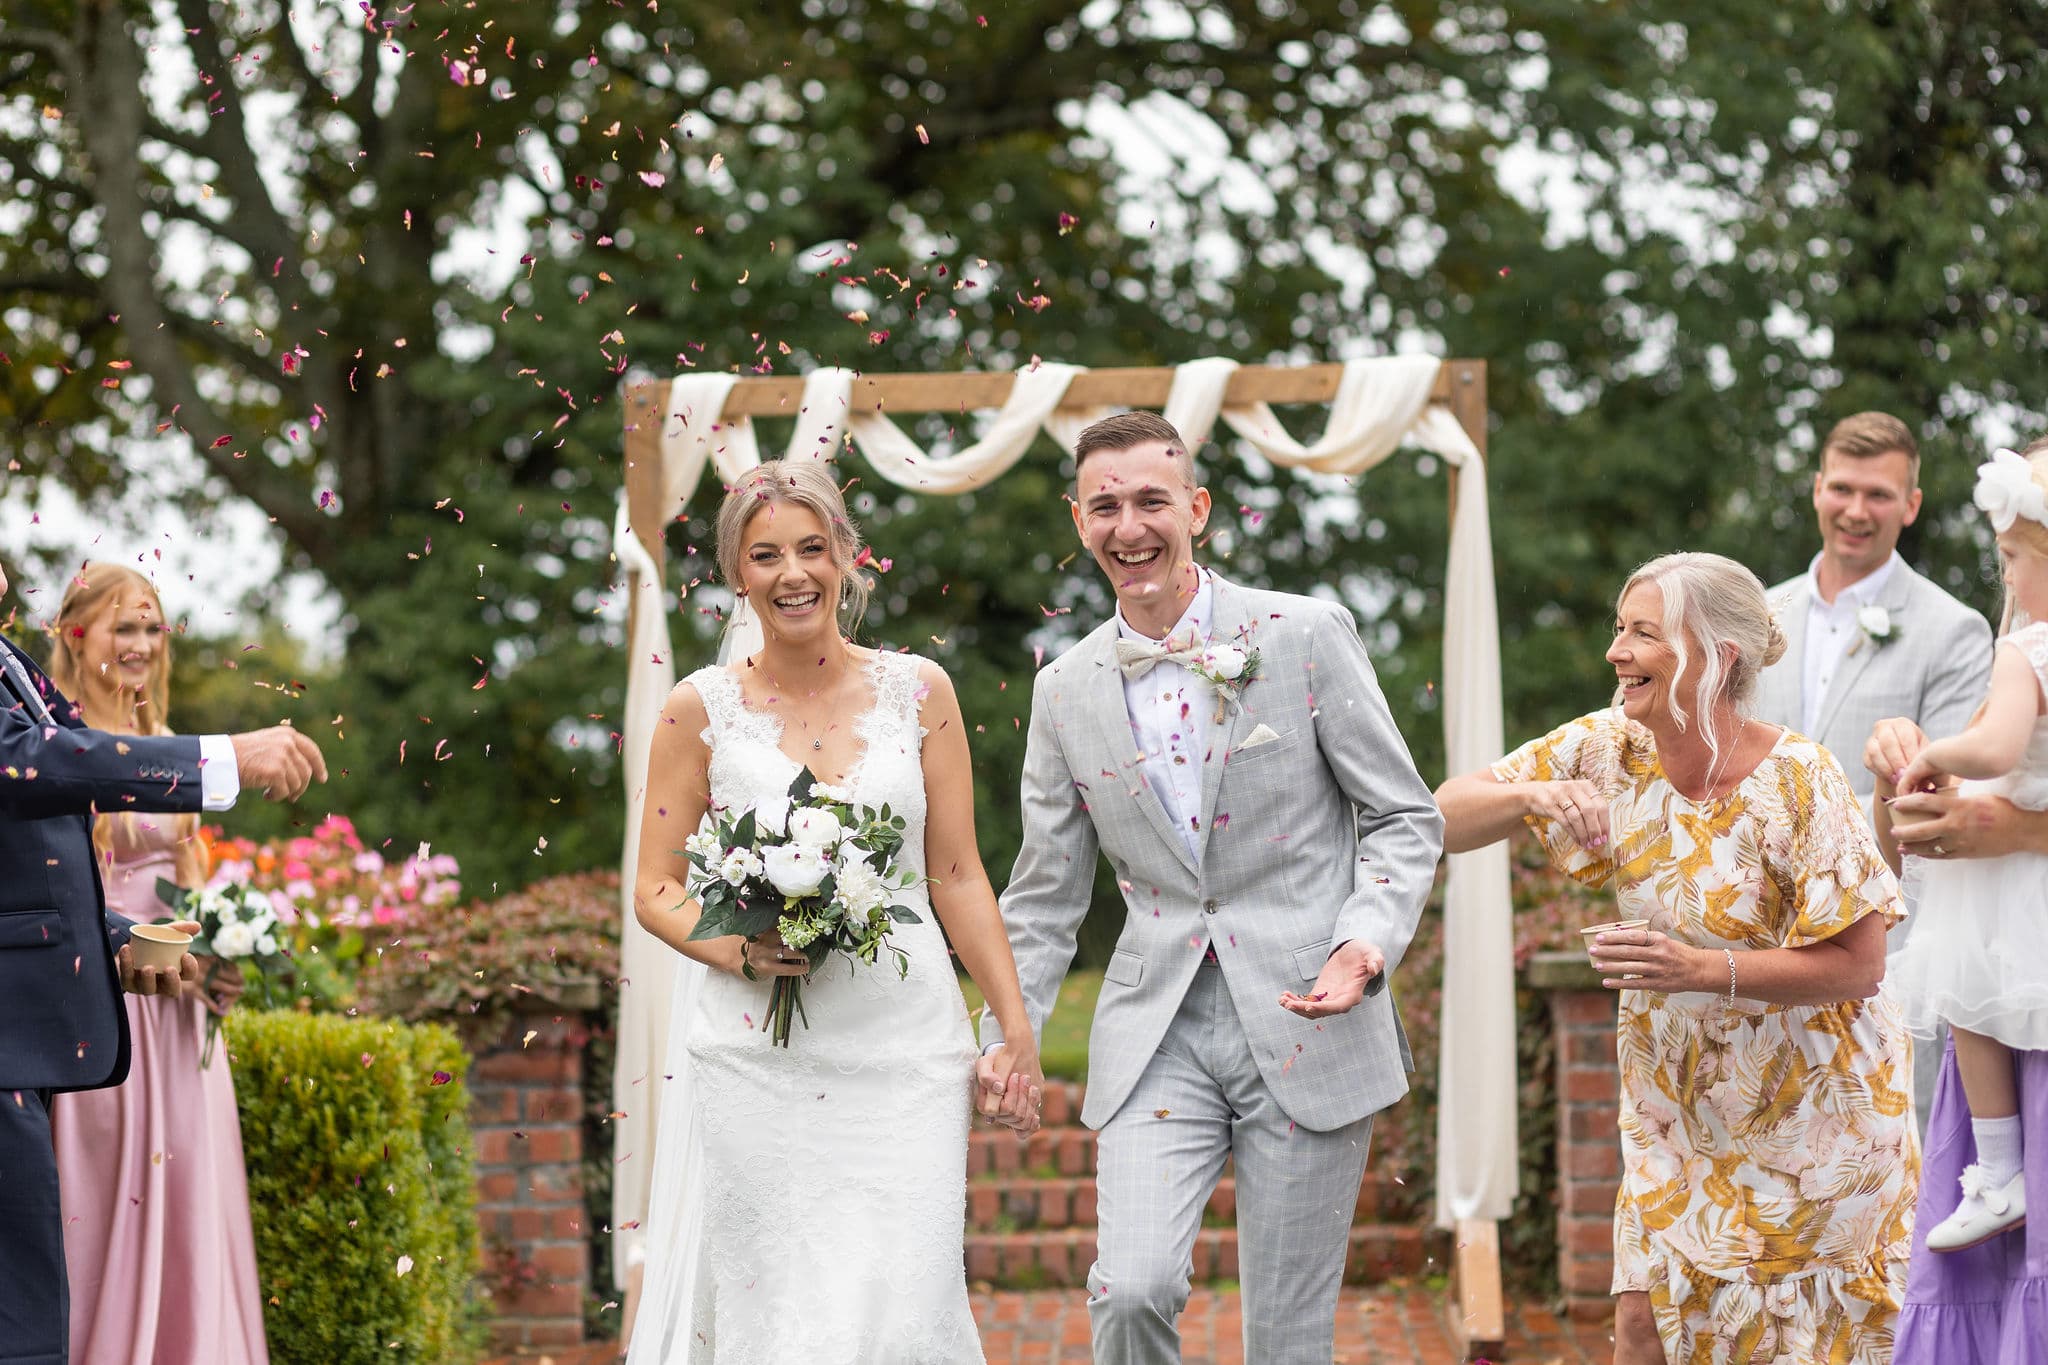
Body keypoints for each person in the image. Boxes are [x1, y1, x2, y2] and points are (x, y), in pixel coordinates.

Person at [984, 412, 1442, 1364]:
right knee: (1131, 1290)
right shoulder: (1063, 689)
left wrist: (1365, 943)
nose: (1129, 525)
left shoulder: (1306, 633)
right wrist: (1008, 1034)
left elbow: (1403, 815)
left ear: (1195, 508)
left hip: (1309, 1017)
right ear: (1079, 520)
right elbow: (1044, 896)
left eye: (1152, 500)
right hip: (1157, 1031)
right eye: (1105, 505)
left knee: (1286, 1337)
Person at [1437, 552, 1918, 1365]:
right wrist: (1531, 795)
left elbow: (1860, 963)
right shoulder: (1611, 745)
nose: (1616, 651)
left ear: (1718, 656)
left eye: (1643, 634)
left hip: (1818, 1134)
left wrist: (1698, 969)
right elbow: (1441, 815)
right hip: (1676, 1122)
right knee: (1641, 1327)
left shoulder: (1800, 778)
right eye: (1619, 629)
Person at [624, 459, 1041, 1363]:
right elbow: (655, 886)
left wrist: (1012, 1022)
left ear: (849, 558)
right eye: (766, 554)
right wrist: (734, 944)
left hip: (906, 1050)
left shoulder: (920, 691)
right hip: (757, 1061)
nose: (793, 573)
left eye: (813, 549)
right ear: (740, 574)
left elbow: (959, 872)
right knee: (781, 1311)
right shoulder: (697, 710)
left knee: (903, 1302)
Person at [0, 552, 325, 1365]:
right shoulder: (50, 705)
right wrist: (223, 757)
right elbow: (35, 766)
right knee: (36, 1300)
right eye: (125, 624)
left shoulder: (11, 666)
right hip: (37, 1021)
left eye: (154, 625)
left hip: (106, 998)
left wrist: (152, 942)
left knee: (32, 1306)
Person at [46, 564, 269, 1364]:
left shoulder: (163, 735)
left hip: (179, 1005)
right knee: (103, 1191)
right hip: (105, 991)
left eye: (151, 627)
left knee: (189, 1190)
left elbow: (189, 863)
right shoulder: (61, 741)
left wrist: (220, 945)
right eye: (123, 627)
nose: (140, 644)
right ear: (77, 633)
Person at [1869, 441, 2048, 1356]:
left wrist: (1944, 763)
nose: (2005, 572)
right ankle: (2000, 1168)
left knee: (1970, 993)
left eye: (2015, 556)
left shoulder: (2025, 651)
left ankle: (2003, 1168)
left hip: (2017, 950)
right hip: (2019, 971)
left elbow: (1997, 756)